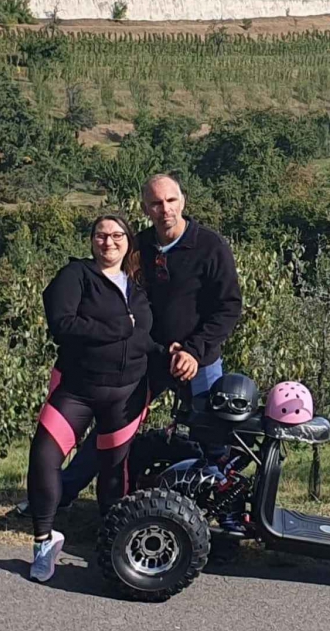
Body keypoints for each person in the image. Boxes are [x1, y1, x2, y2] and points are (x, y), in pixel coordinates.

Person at [24, 173, 244, 516]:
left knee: (214, 437)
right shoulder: (136, 247)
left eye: (171, 200)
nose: (165, 209)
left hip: (198, 360)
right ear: (145, 208)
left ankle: (225, 512)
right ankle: (58, 496)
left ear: (183, 201)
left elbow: (229, 307)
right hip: (146, 358)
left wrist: (194, 350)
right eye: (156, 203)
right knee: (112, 432)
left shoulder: (210, 246)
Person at [28, 214, 157, 583]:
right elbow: (62, 323)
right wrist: (116, 327)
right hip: (77, 390)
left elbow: (145, 340)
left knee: (114, 471)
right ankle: (43, 541)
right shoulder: (76, 276)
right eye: (101, 235)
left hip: (126, 395)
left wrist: (176, 353)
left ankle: (115, 545)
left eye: (117, 235)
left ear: (128, 242)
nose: (109, 242)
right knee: (44, 456)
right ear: (91, 240)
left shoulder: (137, 289)